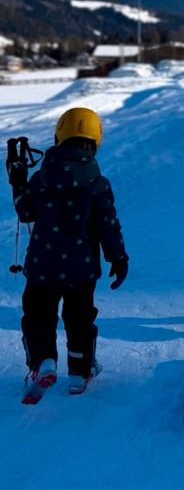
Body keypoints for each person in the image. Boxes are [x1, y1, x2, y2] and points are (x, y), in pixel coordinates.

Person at [7, 107, 129, 402]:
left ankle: (43, 363)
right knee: (79, 319)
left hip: (42, 266)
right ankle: (79, 372)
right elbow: (107, 225)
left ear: (59, 136)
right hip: (80, 270)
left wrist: (18, 181)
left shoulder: (41, 178)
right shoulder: (98, 183)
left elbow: (25, 212)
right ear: (96, 141)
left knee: (38, 316)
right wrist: (118, 257)